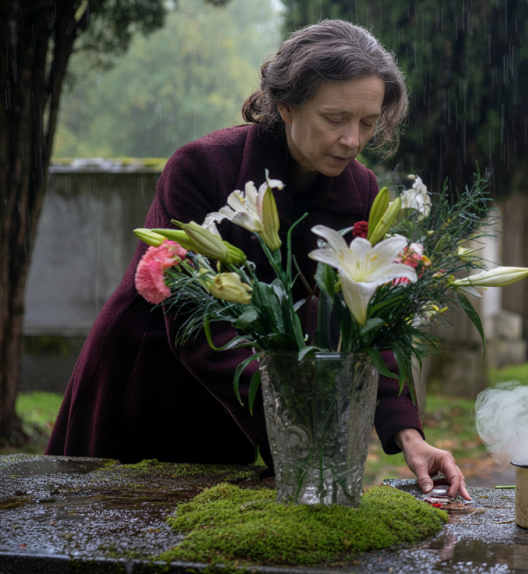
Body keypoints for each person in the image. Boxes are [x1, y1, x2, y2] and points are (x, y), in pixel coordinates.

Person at [46, 20, 470, 501]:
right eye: (335, 119)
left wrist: (407, 435)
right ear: (287, 106)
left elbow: (367, 320)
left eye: (368, 122)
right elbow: (196, 323)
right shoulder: (201, 167)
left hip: (252, 401)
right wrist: (299, 426)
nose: (353, 140)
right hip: (148, 385)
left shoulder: (361, 191)